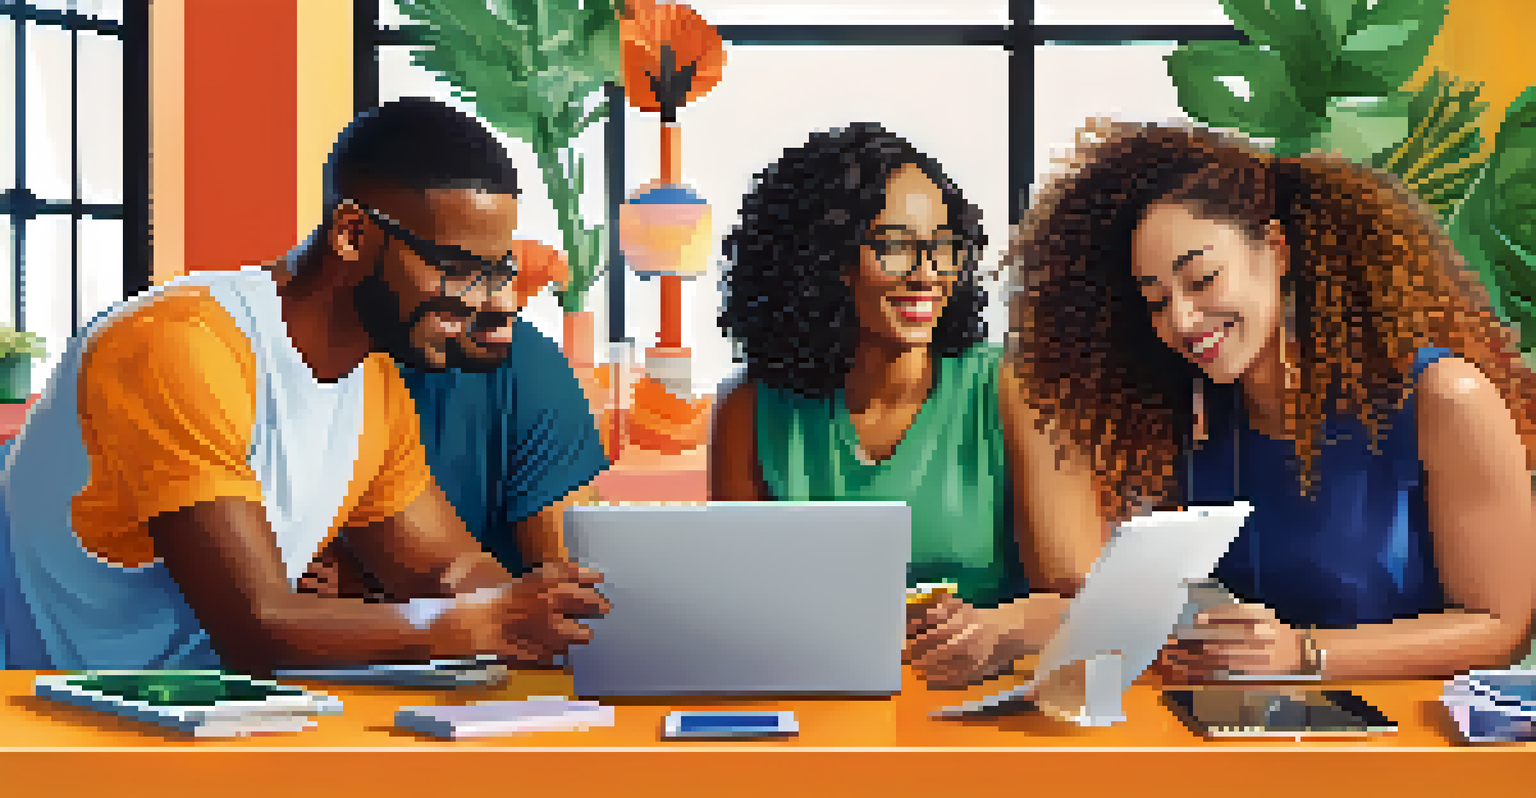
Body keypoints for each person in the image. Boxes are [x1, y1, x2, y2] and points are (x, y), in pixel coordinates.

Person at [0, 97, 607, 674]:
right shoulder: (181, 344)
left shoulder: (372, 382)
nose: (478, 300)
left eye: (494, 271)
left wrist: (547, 614)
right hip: (68, 723)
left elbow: (445, 570)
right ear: (350, 235)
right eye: (455, 269)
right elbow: (257, 628)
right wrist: (478, 625)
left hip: (219, 720)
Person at [1013, 120, 1536, 680]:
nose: (1181, 320)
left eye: (1203, 279)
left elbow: (1500, 627)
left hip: (1402, 747)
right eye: (1157, 301)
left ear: (1277, 250)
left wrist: (1306, 655)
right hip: (1229, 741)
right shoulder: (1191, 418)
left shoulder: (1441, 399)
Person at [710, 123, 1108, 689]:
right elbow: (733, 614)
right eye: (895, 247)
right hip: (821, 716)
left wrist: (1001, 629)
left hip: (982, 723)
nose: (928, 274)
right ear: (824, 260)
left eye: (944, 247)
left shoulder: (1014, 389)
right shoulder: (747, 412)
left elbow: (1087, 604)